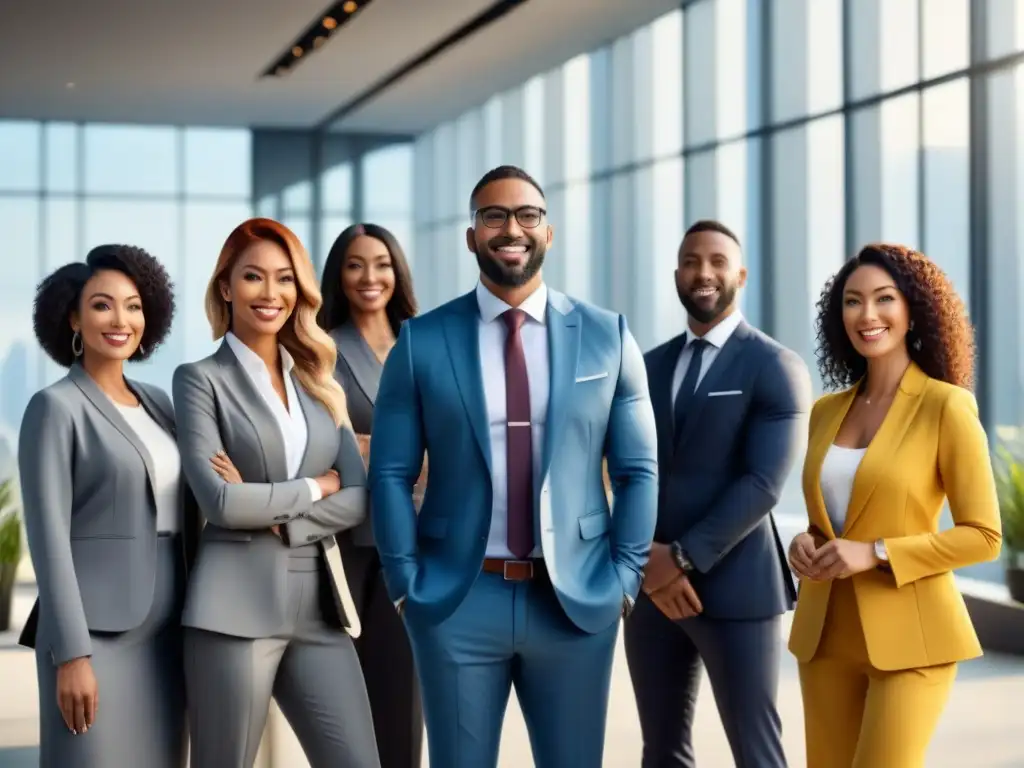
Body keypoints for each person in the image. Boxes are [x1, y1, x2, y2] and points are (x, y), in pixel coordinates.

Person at [368, 165, 658, 768]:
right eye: (493, 216)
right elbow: (391, 473)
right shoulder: (421, 341)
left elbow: (638, 471)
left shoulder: (608, 336)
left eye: (527, 214)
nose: (511, 228)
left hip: (576, 600)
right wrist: (404, 587)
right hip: (456, 599)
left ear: (548, 233)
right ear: (471, 236)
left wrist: (625, 581)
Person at [172, 217, 380, 768]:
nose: (271, 293)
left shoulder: (319, 381)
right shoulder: (199, 380)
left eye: (285, 278)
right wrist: (316, 486)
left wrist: (280, 517)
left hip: (319, 608)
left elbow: (360, 498)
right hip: (232, 610)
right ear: (225, 287)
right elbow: (220, 502)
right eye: (253, 277)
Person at [788, 243, 1002, 767]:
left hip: (913, 638)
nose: (868, 315)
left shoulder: (946, 407)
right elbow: (830, 519)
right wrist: (806, 542)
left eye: (884, 299)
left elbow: (984, 535)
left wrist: (877, 552)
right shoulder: (825, 411)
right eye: (852, 301)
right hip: (825, 635)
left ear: (913, 310)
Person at [625, 220, 810, 768]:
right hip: (653, 593)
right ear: (677, 274)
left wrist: (676, 559)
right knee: (661, 750)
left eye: (716, 261)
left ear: (740, 275)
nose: (702, 273)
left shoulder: (774, 365)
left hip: (738, 589)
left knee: (755, 751)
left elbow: (763, 485)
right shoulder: (649, 365)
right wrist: (646, 564)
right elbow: (630, 470)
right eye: (690, 261)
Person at [18, 244, 197, 767]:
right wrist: (71, 654)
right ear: (72, 316)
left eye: (134, 305)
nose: (121, 319)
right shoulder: (55, 408)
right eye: (102, 305)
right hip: (94, 632)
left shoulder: (161, 403)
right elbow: (48, 538)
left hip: (171, 628)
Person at [318, 222, 423, 768]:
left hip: (423, 540)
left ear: (397, 270)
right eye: (355, 264)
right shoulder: (320, 350)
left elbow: (455, 439)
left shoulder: (425, 339)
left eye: (381, 263)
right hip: (351, 543)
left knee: (406, 699)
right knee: (347, 704)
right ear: (339, 274)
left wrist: (368, 446)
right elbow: (320, 446)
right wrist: (410, 452)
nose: (369, 277)